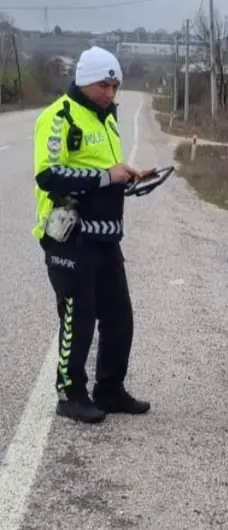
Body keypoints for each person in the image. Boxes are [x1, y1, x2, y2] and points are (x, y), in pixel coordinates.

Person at [32, 46, 154, 424]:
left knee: (119, 317)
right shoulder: (59, 118)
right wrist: (106, 177)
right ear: (86, 81)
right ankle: (70, 394)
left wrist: (127, 175)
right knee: (78, 316)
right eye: (105, 85)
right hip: (69, 236)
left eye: (115, 86)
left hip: (105, 236)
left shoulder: (106, 119)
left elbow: (105, 170)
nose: (110, 93)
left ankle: (110, 390)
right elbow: (48, 176)